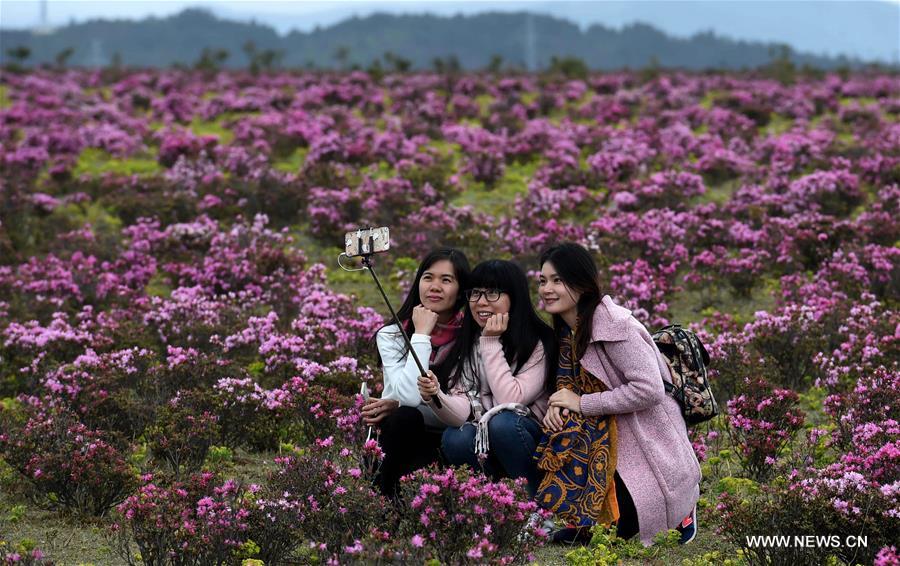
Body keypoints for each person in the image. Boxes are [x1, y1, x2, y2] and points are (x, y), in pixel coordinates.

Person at [535, 242, 701, 545]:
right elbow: (569, 379)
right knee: (603, 531)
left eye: (558, 280)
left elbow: (648, 390)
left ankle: (683, 510)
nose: (547, 288)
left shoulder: (615, 324)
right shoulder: (566, 327)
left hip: (645, 437)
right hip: (605, 435)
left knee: (625, 528)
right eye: (543, 280)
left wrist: (582, 403)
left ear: (582, 283)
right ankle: (587, 516)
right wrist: (560, 402)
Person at [417, 259, 556, 496]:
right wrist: (435, 396)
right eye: (475, 293)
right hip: (485, 436)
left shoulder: (539, 342)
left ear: (515, 297)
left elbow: (511, 400)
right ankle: (493, 508)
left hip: (529, 438)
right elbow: (462, 410)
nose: (481, 302)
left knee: (502, 424)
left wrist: (491, 342)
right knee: (456, 436)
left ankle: (538, 507)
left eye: (492, 293)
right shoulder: (467, 343)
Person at [362, 248, 471, 498]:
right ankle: (385, 504)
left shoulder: (470, 335)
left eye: (446, 280)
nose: (435, 286)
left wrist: (399, 403)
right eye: (428, 277)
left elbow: (465, 409)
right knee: (404, 416)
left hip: (452, 434)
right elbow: (409, 397)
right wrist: (421, 334)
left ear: (461, 288)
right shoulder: (392, 334)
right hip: (404, 435)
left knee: (407, 413)